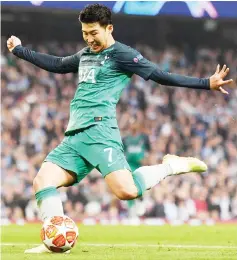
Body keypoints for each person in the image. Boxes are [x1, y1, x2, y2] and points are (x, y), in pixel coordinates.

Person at [7, 4, 233, 254]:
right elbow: (57, 63)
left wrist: (205, 83)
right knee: (42, 181)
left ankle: (172, 165)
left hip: (100, 130)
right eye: (85, 32)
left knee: (127, 191)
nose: (89, 38)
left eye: (94, 32)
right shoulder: (85, 55)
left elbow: (159, 75)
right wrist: (20, 51)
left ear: (109, 28)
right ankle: (54, 239)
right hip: (75, 136)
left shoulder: (123, 55)